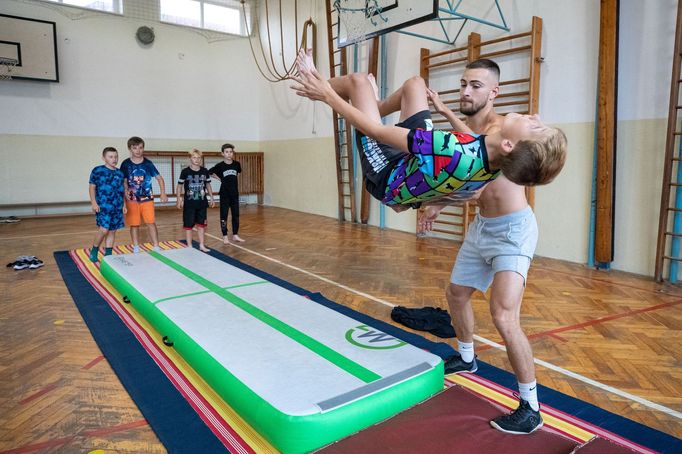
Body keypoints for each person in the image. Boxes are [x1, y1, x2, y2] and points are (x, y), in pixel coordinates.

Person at [421, 58, 546, 435]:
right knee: (456, 293)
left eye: (475, 85)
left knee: (504, 315)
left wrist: (442, 110)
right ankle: (467, 358)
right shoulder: (472, 132)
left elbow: (477, 161)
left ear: (494, 92)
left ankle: (531, 406)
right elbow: (472, 184)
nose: (465, 91)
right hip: (482, 228)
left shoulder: (504, 126)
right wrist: (441, 202)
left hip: (513, 230)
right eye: (462, 84)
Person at [292, 49, 567, 208]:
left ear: (510, 145)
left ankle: (314, 84)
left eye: (536, 126)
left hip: (385, 175)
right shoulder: (492, 166)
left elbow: (376, 132)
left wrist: (327, 95)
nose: (535, 115)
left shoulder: (451, 148)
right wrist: (417, 204)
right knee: (415, 85)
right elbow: (461, 197)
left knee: (358, 82)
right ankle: (371, 103)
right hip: (413, 162)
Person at [120, 136, 168, 253]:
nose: (138, 150)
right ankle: (136, 246)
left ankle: (156, 246)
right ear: (130, 149)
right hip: (131, 200)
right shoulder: (125, 164)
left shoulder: (148, 164)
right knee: (134, 224)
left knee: (151, 222)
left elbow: (160, 179)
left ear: (143, 148)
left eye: (140, 148)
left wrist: (163, 193)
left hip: (147, 199)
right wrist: (125, 190)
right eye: (135, 148)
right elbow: (124, 180)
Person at [88, 147, 126, 263]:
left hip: (117, 206)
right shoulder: (97, 171)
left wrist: (124, 205)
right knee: (104, 230)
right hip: (103, 206)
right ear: (104, 158)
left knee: (112, 231)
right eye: (111, 157)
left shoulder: (120, 173)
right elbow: (92, 187)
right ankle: (94, 250)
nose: (114, 159)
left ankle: (108, 254)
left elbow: (122, 191)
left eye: (116, 157)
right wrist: (94, 202)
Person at [176, 149, 215, 252]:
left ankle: (202, 245)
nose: (197, 160)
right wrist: (179, 199)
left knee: (201, 225)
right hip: (189, 204)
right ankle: (189, 245)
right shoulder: (185, 171)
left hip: (202, 203)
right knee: (188, 225)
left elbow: (208, 185)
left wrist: (211, 198)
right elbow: (179, 186)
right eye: (194, 157)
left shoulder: (204, 171)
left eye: (199, 158)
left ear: (201, 159)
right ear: (190, 159)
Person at [209, 143, 245, 244]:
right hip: (224, 194)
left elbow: (237, 174)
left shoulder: (237, 164)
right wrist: (220, 178)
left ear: (233, 153)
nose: (229, 154)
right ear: (222, 153)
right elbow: (210, 172)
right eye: (227, 152)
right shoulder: (220, 166)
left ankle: (235, 235)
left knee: (236, 215)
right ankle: (225, 236)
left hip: (234, 194)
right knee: (224, 215)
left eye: (230, 152)